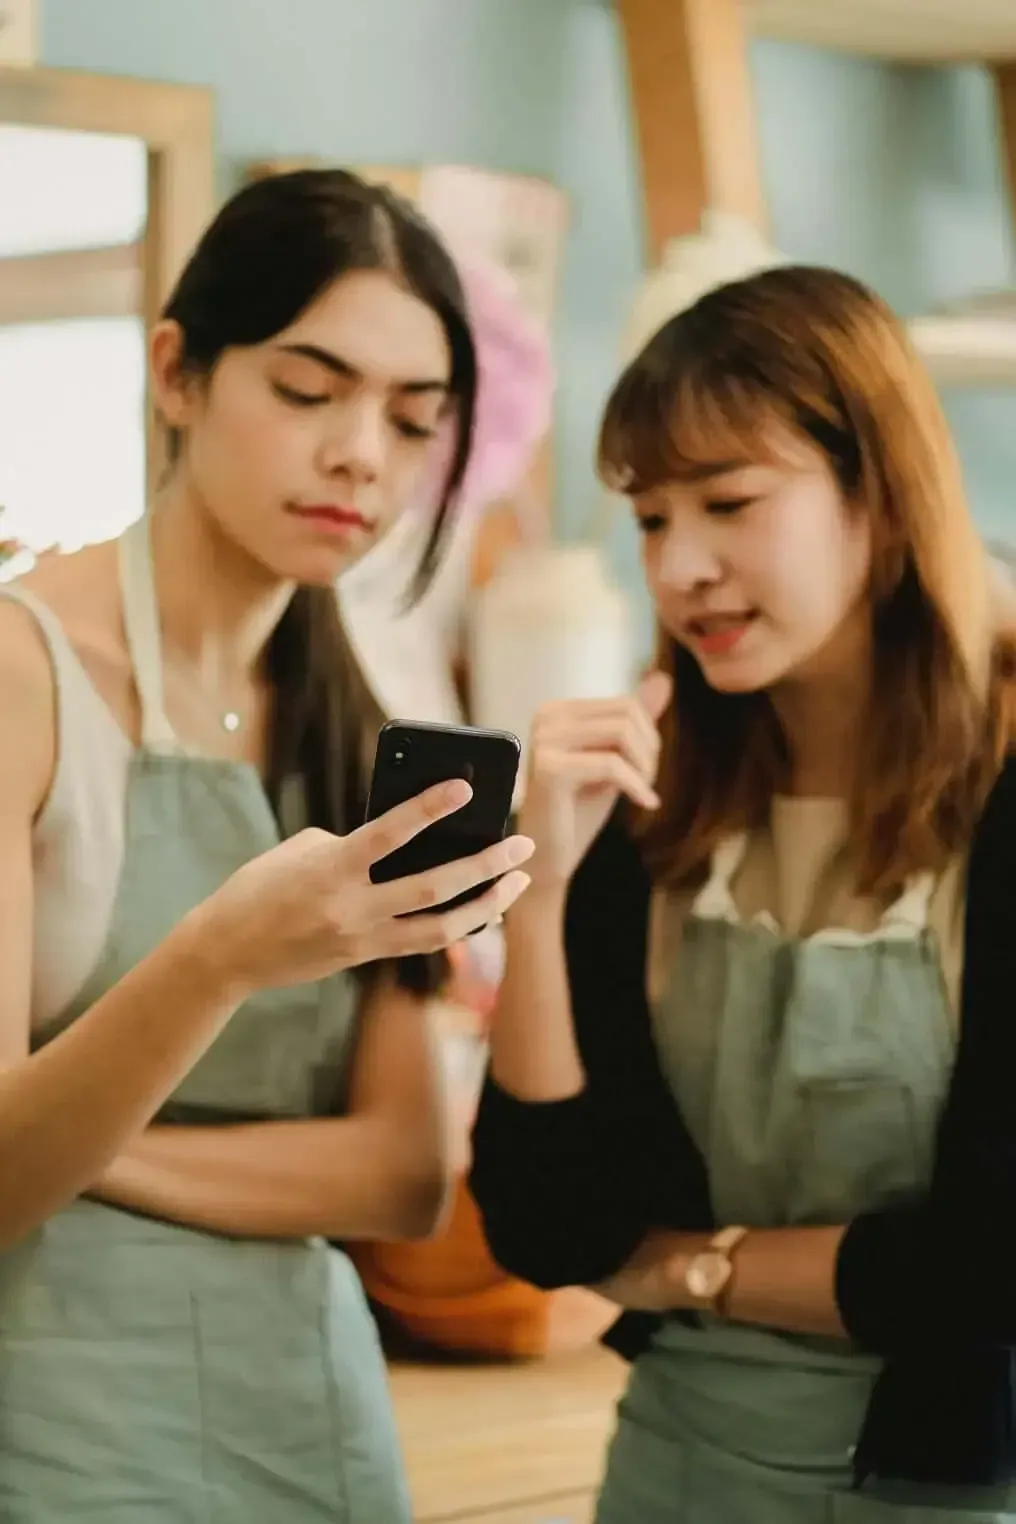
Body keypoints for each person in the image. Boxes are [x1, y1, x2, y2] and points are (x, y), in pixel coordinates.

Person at [0, 167, 535, 1523]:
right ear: (177, 372)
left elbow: (405, 1176)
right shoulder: (21, 676)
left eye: (415, 421)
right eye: (310, 391)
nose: (363, 452)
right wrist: (218, 960)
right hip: (55, 1419)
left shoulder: (360, 731)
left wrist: (98, 1154)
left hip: (315, 1422)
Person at [469, 264, 1016, 1522]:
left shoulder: (998, 800)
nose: (678, 567)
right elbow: (548, 1228)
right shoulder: (655, 799)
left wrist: (694, 1268)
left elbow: (990, 1266)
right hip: (667, 1471)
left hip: (932, 1487)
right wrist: (537, 897)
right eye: (651, 518)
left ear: (876, 498)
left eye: (727, 502)